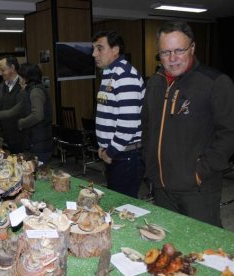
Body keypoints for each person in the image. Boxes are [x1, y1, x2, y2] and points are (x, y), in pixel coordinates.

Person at [141, 20, 234, 227]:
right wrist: (149, 163)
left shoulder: (214, 83)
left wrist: (200, 173)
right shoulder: (155, 83)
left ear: (192, 48)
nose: (172, 59)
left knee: (202, 250)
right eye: (165, 52)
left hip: (197, 190)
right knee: (169, 247)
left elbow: (229, 134)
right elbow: (147, 128)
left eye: (179, 50)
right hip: (161, 187)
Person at [92, 31, 145, 198]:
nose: (94, 54)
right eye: (94, 49)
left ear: (115, 50)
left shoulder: (125, 75)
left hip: (126, 154)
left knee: (123, 206)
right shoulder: (110, 73)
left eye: (100, 48)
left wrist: (110, 151)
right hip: (117, 152)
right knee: (119, 203)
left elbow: (128, 123)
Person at [0, 55, 26, 154]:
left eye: (2, 70)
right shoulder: (2, 86)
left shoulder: (24, 86)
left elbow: (19, 111)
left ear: (12, 68)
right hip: (5, 136)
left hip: (21, 135)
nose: (0, 73)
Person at [17, 63, 53, 164]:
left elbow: (37, 115)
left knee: (38, 173)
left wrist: (21, 123)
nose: (19, 80)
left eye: (20, 77)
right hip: (36, 140)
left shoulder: (35, 91)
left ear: (26, 78)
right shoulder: (32, 90)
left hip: (39, 141)